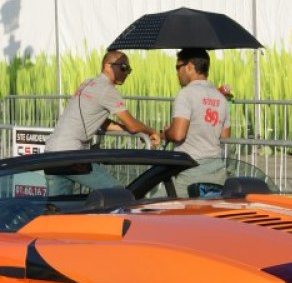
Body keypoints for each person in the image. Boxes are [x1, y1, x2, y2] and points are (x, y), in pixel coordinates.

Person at [45, 51, 161, 194]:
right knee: (117, 193)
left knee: (57, 209)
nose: (126, 73)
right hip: (71, 154)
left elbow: (101, 122)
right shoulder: (107, 90)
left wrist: (128, 129)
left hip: (51, 152)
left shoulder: (87, 83)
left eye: (129, 70)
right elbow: (132, 124)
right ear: (107, 66)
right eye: (124, 67)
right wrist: (151, 131)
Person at [159, 48, 231, 196]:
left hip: (190, 170)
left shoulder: (186, 94)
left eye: (178, 67)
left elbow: (178, 134)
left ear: (190, 66)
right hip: (216, 170)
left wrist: (166, 133)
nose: (177, 73)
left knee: (154, 210)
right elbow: (225, 135)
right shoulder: (220, 98)